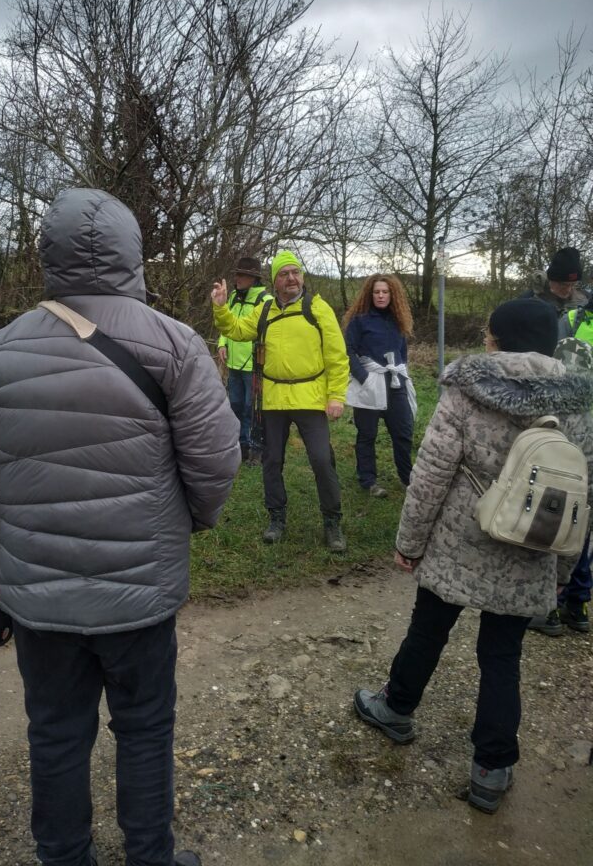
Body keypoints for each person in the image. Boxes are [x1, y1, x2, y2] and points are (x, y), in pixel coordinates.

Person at [0, 188, 239, 866]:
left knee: (54, 734)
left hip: (39, 599)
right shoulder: (175, 343)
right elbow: (217, 460)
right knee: (144, 731)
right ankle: (150, 857)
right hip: (140, 594)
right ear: (132, 253)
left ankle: (64, 857)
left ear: (47, 255)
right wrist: (191, 520)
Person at [353, 298, 593, 814]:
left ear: (497, 339)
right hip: (533, 549)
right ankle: (492, 768)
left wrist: (409, 544)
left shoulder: (468, 389)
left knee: (427, 630)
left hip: (458, 541)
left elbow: (432, 474)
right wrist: (564, 572)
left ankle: (395, 709)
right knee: (502, 657)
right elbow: (582, 498)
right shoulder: (580, 404)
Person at [211, 250, 349, 551]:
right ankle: (276, 518)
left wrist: (336, 396)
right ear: (275, 281)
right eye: (284, 274)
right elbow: (235, 330)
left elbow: (337, 356)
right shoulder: (265, 310)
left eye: (295, 272)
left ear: (301, 276)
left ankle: (332, 521)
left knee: (322, 460)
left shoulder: (318, 308)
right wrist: (221, 308)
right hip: (273, 399)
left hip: (310, 397)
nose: (291, 278)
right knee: (272, 461)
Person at [523, 246, 592, 636]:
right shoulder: (538, 305)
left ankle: (563, 602)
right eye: (560, 283)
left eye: (571, 283)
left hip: (573, 421)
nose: (566, 289)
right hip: (560, 416)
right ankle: (568, 602)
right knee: (576, 512)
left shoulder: (578, 312)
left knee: (563, 510)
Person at [343, 274, 415, 498]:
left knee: (403, 432)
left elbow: (402, 352)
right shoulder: (360, 320)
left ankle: (407, 479)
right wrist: (363, 377)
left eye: (385, 292)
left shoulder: (398, 320)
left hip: (395, 384)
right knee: (367, 434)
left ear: (392, 294)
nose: (381, 295)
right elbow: (348, 350)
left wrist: (403, 375)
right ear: (370, 294)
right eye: (377, 292)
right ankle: (368, 480)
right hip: (370, 383)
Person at [217, 257, 271, 464]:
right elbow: (228, 324)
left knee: (253, 410)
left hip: (253, 367)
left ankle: (255, 448)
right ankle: (239, 446)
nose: (236, 278)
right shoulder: (232, 297)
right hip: (233, 364)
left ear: (253, 278)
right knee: (235, 406)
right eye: (236, 274)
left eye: (241, 275)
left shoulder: (266, 302)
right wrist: (222, 343)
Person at [522, 246, 587, 332]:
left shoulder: (585, 299)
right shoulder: (527, 301)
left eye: (573, 284)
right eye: (563, 285)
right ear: (551, 280)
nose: (568, 289)